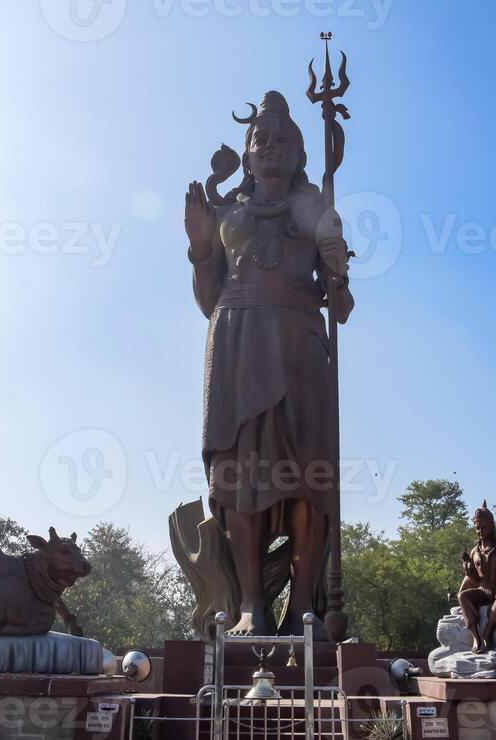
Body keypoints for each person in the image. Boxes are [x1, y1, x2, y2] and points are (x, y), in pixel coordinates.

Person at [184, 91, 353, 638]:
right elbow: (208, 299)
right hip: (237, 338)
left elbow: (342, 310)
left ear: (301, 153)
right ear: (248, 152)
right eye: (262, 139)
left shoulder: (316, 209)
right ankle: (251, 606)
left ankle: (303, 605)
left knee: (309, 477)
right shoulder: (226, 211)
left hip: (301, 340)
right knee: (241, 477)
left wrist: (337, 271)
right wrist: (198, 247)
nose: (272, 147)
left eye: (284, 139)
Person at [458, 501, 496, 653]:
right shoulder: (475, 551)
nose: (480, 531)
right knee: (463, 596)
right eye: (477, 528)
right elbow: (475, 578)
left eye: (483, 527)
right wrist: (469, 570)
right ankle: (476, 637)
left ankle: (487, 633)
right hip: (482, 589)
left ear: (491, 526)